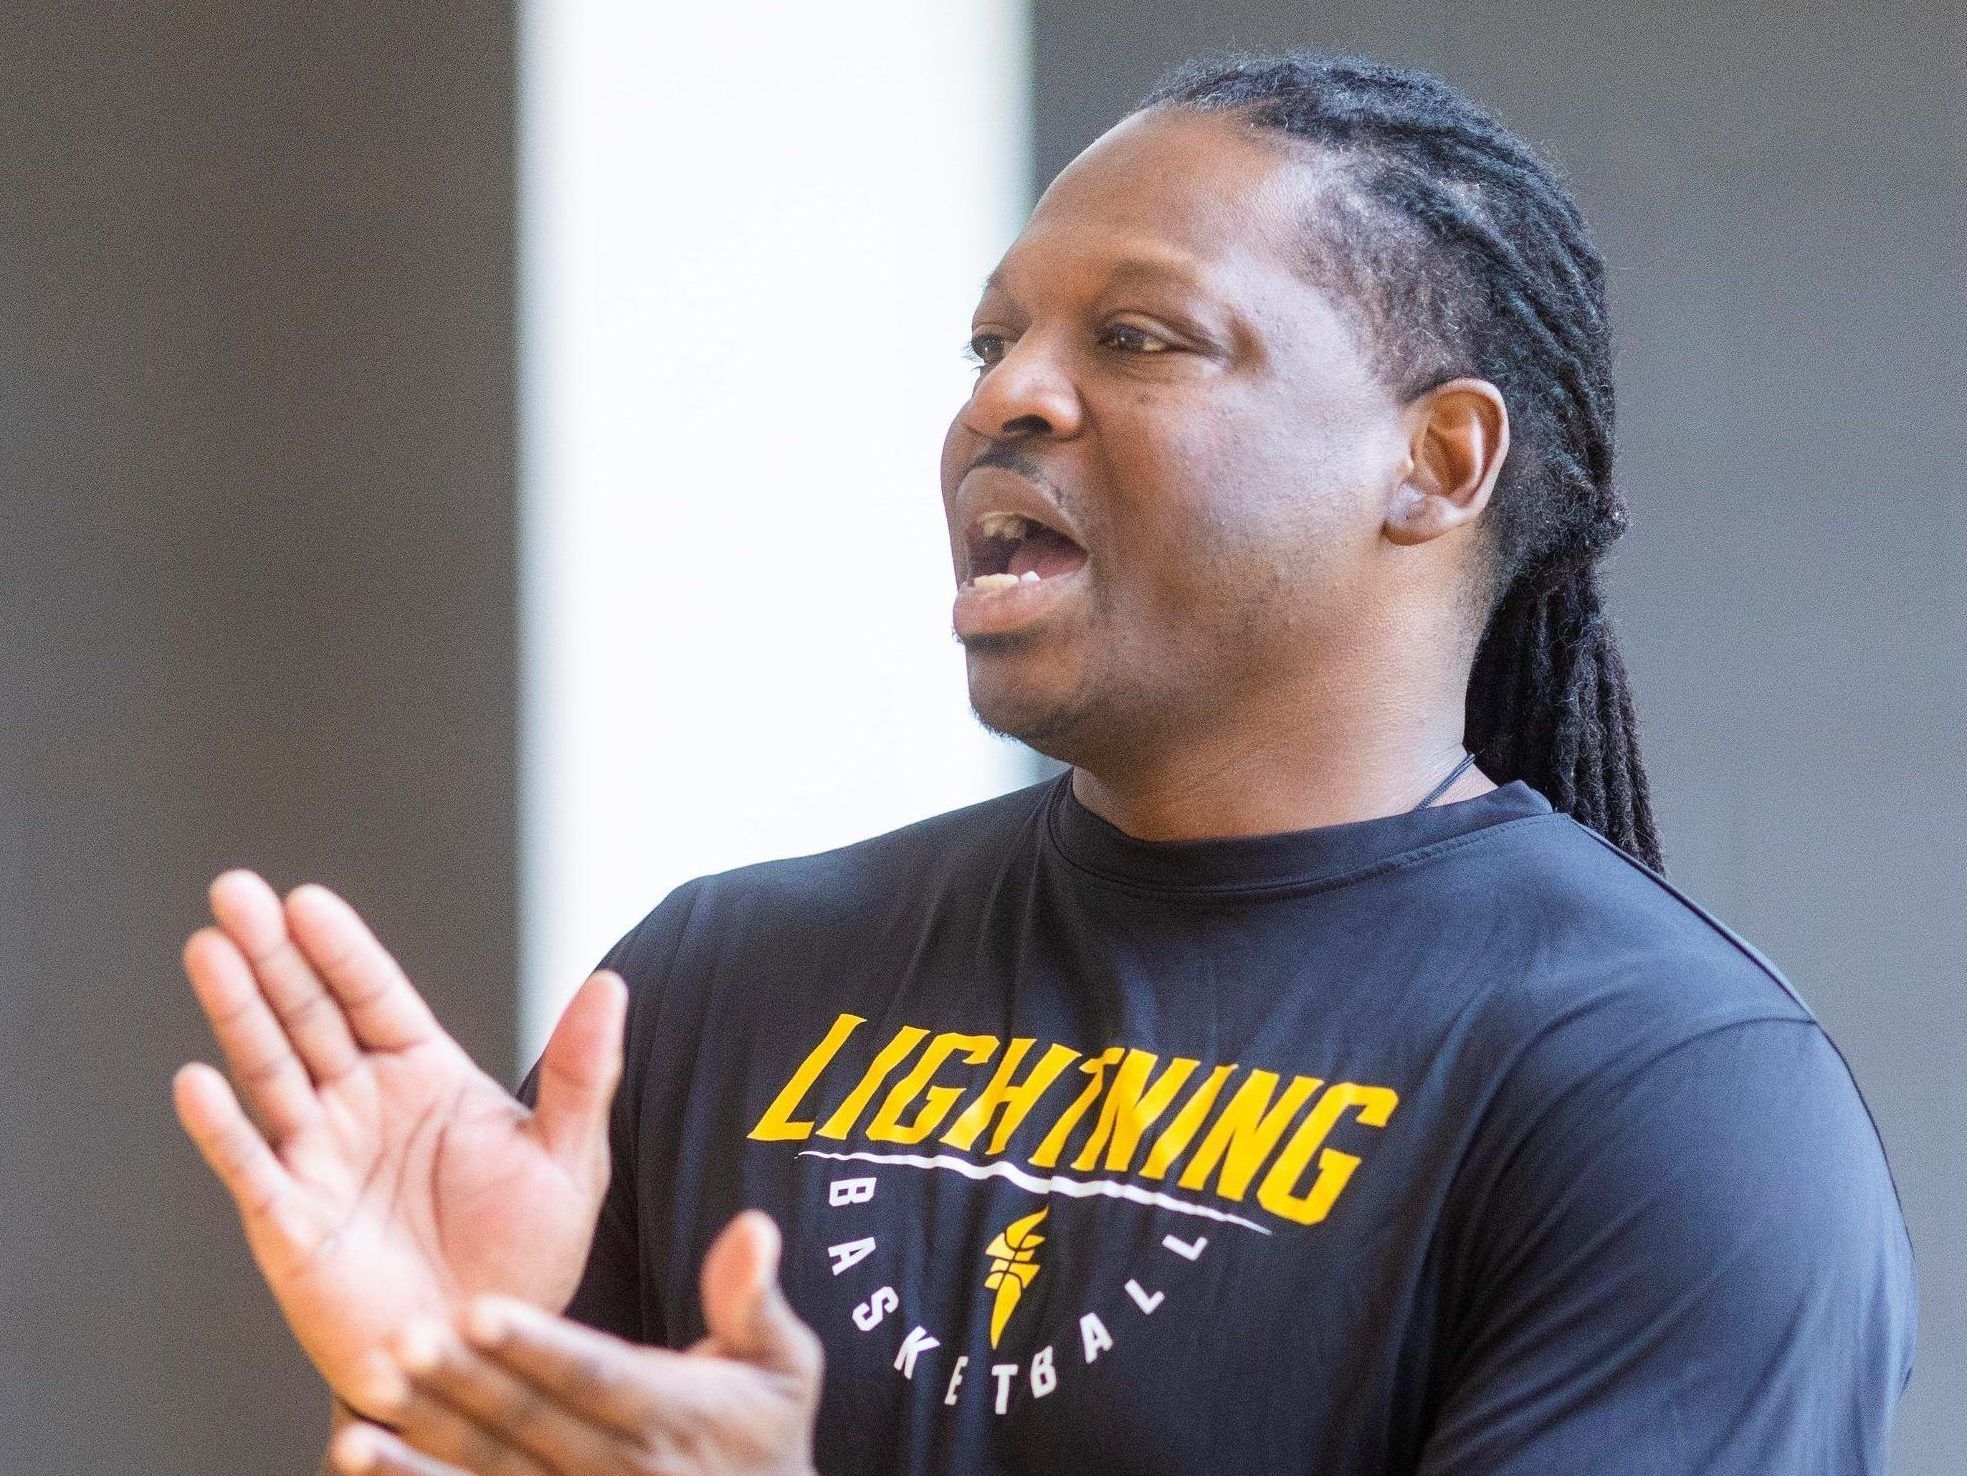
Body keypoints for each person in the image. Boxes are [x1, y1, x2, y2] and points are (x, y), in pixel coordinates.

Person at [173, 49, 1916, 1476]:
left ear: (1438, 461)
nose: (1005, 399)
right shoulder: (723, 980)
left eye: (1140, 338)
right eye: (991, 341)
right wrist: (460, 1395)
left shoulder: (1662, 1098)